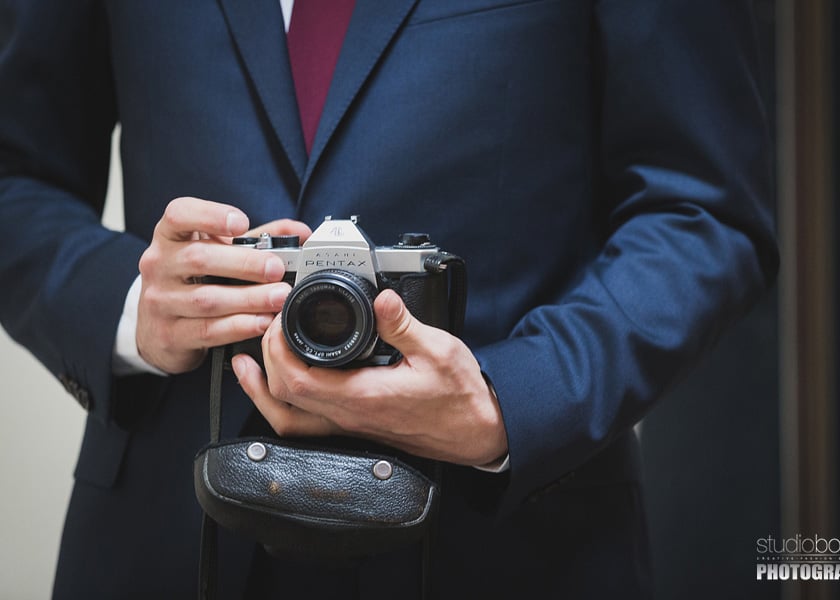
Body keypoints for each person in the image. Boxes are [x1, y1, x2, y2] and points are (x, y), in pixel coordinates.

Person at [0, 1, 778, 598]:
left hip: (506, 550)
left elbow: (703, 210)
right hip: (165, 543)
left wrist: (511, 402)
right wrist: (134, 304)